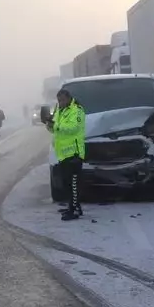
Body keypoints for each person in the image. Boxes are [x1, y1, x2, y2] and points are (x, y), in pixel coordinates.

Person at [48, 88, 86, 220]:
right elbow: (56, 129)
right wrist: (49, 125)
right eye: (59, 100)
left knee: (74, 183)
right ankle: (73, 206)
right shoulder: (60, 110)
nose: (60, 102)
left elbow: (73, 128)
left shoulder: (77, 110)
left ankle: (74, 210)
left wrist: (56, 126)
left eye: (62, 100)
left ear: (69, 98)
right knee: (67, 183)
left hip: (74, 153)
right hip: (63, 153)